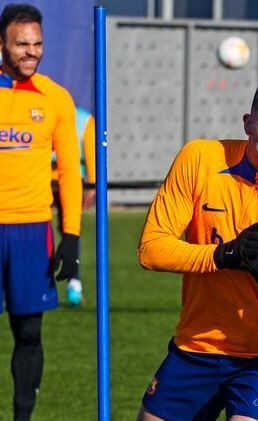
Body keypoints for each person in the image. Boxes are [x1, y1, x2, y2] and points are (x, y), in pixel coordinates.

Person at [136, 74, 258, 421]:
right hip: (197, 344)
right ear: (248, 123)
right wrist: (225, 255)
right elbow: (151, 249)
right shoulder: (200, 158)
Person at [0, 4, 82, 420]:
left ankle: (22, 417)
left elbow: (69, 171)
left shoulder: (56, 99)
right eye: (21, 44)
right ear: (2, 45)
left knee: (29, 332)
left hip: (32, 231)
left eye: (37, 44)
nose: (31, 52)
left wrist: (72, 236)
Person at [51, 105, 96, 306]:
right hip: (69, 180)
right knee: (70, 230)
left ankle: (72, 285)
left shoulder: (46, 109)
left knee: (64, 230)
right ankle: (74, 285)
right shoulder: (85, 119)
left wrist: (92, 183)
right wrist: (92, 183)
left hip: (49, 178)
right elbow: (91, 153)